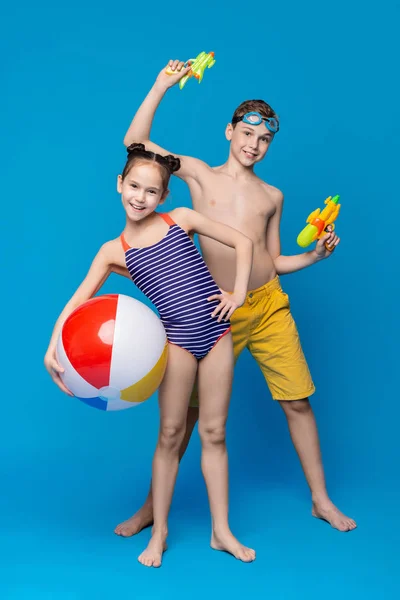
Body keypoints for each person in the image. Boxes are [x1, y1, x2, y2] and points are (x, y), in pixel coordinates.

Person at [114, 60, 357, 537]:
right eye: (246, 133)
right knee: (182, 418)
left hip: (266, 304)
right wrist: (163, 84)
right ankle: (151, 508)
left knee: (298, 401)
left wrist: (313, 257)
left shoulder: (273, 195)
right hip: (212, 310)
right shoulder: (201, 175)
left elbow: (273, 258)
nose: (253, 144)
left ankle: (321, 499)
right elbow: (135, 144)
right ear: (229, 132)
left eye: (264, 139)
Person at [44, 144, 256, 567]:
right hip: (176, 342)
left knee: (214, 433)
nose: (141, 197)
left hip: (216, 335)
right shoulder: (113, 251)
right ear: (120, 185)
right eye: (134, 187)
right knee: (171, 434)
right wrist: (53, 344)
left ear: (163, 197)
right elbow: (78, 300)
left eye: (152, 191)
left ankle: (222, 531)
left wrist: (239, 292)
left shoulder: (182, 220)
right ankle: (158, 533)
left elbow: (243, 242)